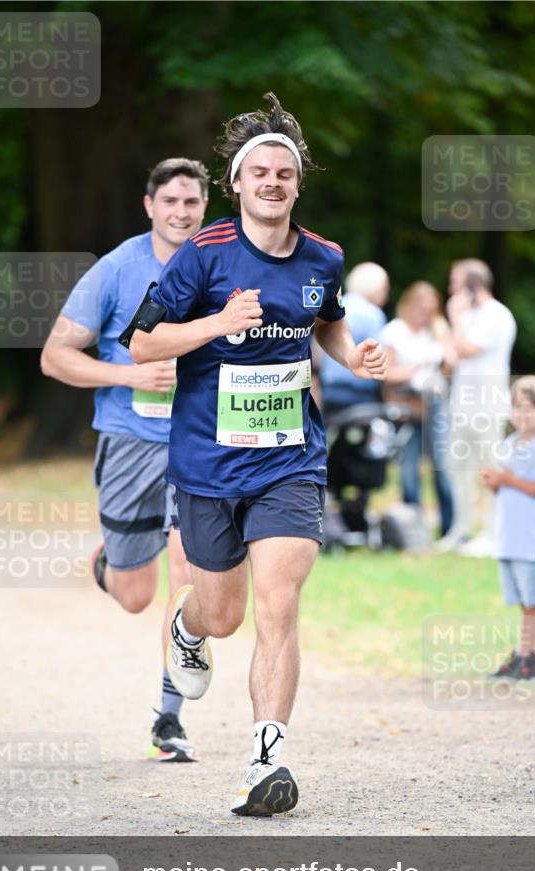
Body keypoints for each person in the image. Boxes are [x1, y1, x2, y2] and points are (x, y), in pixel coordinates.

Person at [125, 92, 386, 816]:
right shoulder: (202, 255)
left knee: (279, 604)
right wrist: (215, 323)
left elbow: (325, 325)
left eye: (285, 174)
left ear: (297, 185)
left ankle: (266, 761)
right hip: (207, 464)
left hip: (289, 458)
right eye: (259, 172)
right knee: (224, 616)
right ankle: (187, 626)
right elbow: (142, 343)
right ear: (237, 183)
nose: (273, 183)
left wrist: (351, 356)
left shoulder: (324, 258)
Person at [40, 158, 209, 763]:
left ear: (204, 206)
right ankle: (108, 563)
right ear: (149, 206)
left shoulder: (219, 261)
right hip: (129, 440)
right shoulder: (116, 269)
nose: (181, 213)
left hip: (198, 443)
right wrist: (127, 372)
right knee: (136, 594)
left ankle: (169, 717)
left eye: (192, 202)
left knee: (190, 579)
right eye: (170, 202)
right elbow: (55, 357)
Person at [481, 377, 535, 681]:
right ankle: (524, 656)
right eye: (518, 407)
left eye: (531, 408)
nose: (522, 414)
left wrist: (508, 480)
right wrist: (493, 482)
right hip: (510, 539)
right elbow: (504, 488)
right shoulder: (509, 445)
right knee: (526, 604)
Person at [440, 259, 516, 556]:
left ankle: (493, 532)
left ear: (472, 286)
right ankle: (461, 530)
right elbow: (451, 357)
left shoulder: (497, 315)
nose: (450, 290)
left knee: (489, 469)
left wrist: (454, 320)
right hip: (461, 403)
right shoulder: (468, 316)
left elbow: (467, 348)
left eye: (456, 283)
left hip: (488, 404)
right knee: (458, 469)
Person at [381, 281, 456, 538]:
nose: (427, 315)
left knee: (442, 468)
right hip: (406, 404)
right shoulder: (395, 331)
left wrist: (443, 337)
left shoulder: (435, 331)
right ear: (410, 305)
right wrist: (417, 365)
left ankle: (449, 529)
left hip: (435, 403)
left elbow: (449, 366)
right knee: (409, 471)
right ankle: (414, 531)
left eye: (431, 310)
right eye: (423, 309)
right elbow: (387, 373)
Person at [317, 262, 388, 415]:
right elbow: (378, 357)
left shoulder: (334, 306)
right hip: (360, 395)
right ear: (375, 288)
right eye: (384, 289)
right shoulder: (373, 314)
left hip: (329, 391)